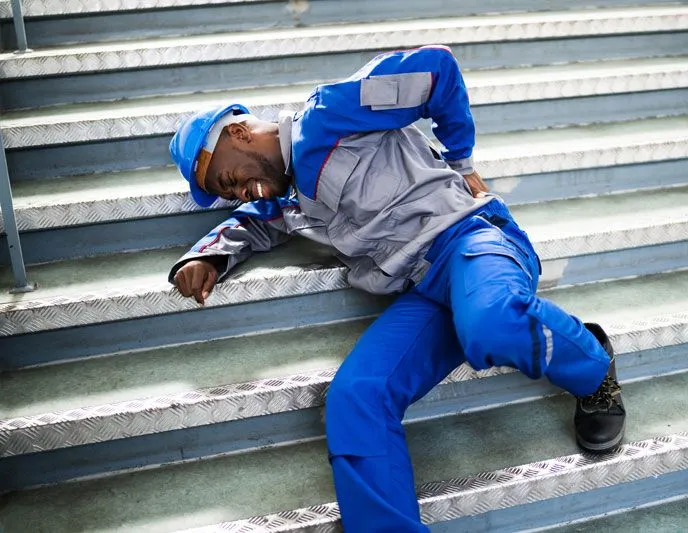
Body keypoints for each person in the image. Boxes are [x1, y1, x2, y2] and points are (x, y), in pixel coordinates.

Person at [168, 45, 626, 532]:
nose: (238, 191)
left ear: (238, 133)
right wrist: (207, 254)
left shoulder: (329, 113)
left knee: (492, 322)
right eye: (226, 192)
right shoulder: (286, 198)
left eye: (228, 177)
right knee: (354, 396)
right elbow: (252, 222)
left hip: (472, 242)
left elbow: (437, 70)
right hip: (426, 290)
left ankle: (592, 364)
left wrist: (461, 158)